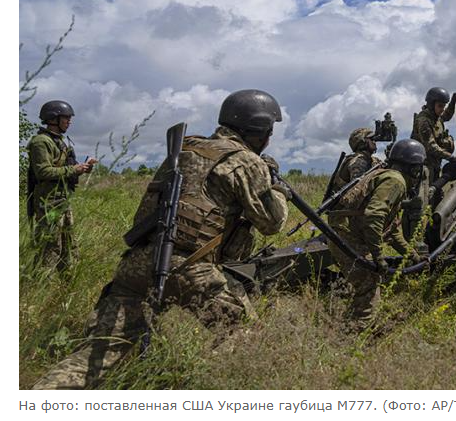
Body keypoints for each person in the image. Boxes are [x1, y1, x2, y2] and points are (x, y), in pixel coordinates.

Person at [33, 89, 290, 389]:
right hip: (190, 269)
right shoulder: (245, 161)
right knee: (246, 335)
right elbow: (272, 223)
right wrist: (278, 190)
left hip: (136, 264)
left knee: (98, 353)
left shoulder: (184, 149)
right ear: (260, 130)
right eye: (269, 132)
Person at [327, 139, 426, 327]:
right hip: (347, 237)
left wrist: (413, 257)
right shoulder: (396, 182)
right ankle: (357, 332)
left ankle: (354, 324)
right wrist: (378, 257)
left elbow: (392, 232)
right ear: (414, 169)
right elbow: (374, 217)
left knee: (367, 285)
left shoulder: (388, 176)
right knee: (369, 283)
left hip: (343, 235)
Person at [26, 100, 96, 271]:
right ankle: (42, 282)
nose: (69, 122)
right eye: (66, 118)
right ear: (53, 118)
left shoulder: (60, 142)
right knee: (49, 245)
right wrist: (73, 169)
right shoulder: (41, 142)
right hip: (48, 203)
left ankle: (66, 280)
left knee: (68, 244)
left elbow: (66, 170)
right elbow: (43, 172)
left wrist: (84, 168)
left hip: (63, 200)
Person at [410, 87, 456, 184]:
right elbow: (431, 146)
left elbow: (446, 115)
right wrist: (451, 157)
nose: (442, 109)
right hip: (424, 166)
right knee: (427, 191)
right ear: (431, 104)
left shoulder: (436, 117)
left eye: (444, 106)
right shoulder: (424, 121)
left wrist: (453, 102)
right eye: (440, 106)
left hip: (434, 164)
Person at [328, 127, 382, 194]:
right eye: (371, 139)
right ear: (362, 142)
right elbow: (358, 190)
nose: (374, 142)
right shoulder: (357, 162)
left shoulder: (372, 160)